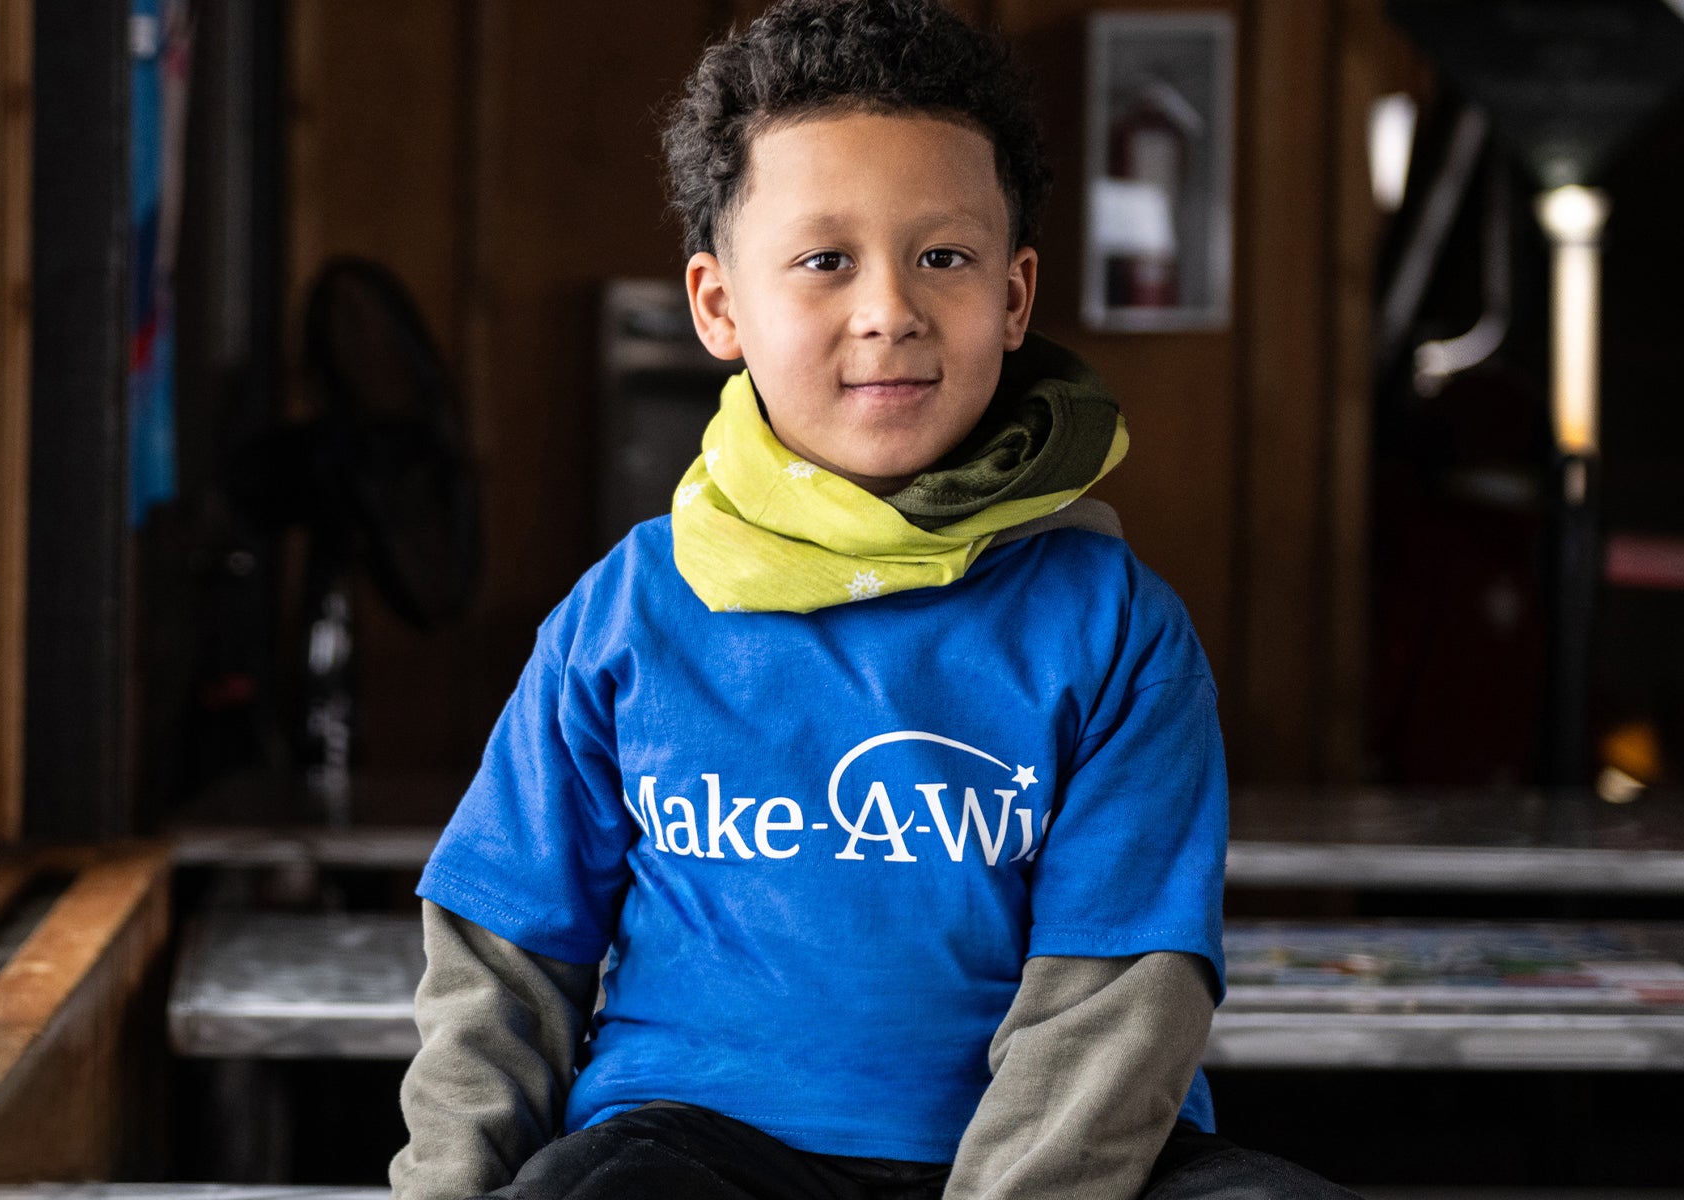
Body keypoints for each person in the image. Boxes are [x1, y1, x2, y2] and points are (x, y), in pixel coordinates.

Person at [392, 2, 1357, 1197]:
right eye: (824, 259)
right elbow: (505, 958)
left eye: (943, 257)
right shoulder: (628, 613)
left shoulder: (1114, 628)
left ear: (1015, 297)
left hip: (1057, 1165)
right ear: (718, 306)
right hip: (699, 1151)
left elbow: (1121, 998)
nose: (889, 309)